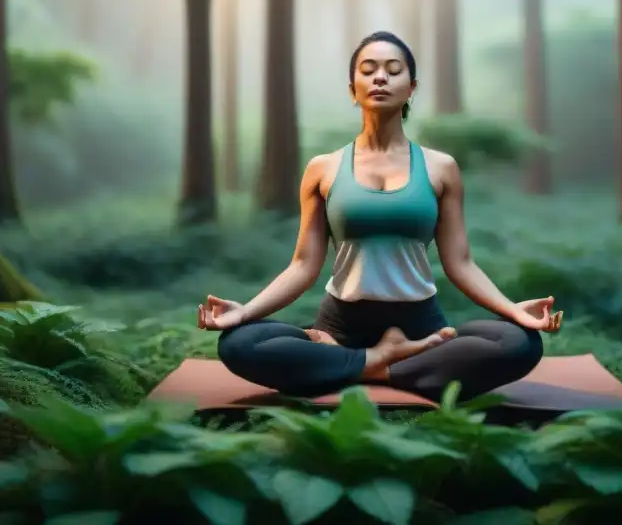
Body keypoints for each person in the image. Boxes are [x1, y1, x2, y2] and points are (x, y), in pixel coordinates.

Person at [197, 31, 563, 401]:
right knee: (240, 343)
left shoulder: (441, 168)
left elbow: (461, 262)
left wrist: (511, 310)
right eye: (368, 70)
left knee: (519, 342)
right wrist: (244, 313)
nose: (380, 78)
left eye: (393, 70)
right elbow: (304, 265)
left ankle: (357, 366)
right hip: (340, 326)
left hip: (421, 327)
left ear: (411, 87)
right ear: (353, 86)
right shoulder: (323, 168)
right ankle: (389, 364)